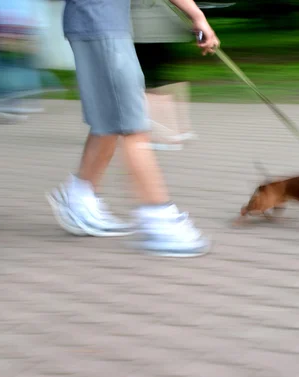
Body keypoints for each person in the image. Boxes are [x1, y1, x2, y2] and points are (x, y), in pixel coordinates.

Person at [47, 0, 219, 256]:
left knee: (110, 123)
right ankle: (159, 221)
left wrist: (196, 15)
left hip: (101, 23)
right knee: (133, 126)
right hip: (100, 24)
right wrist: (196, 15)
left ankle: (79, 200)